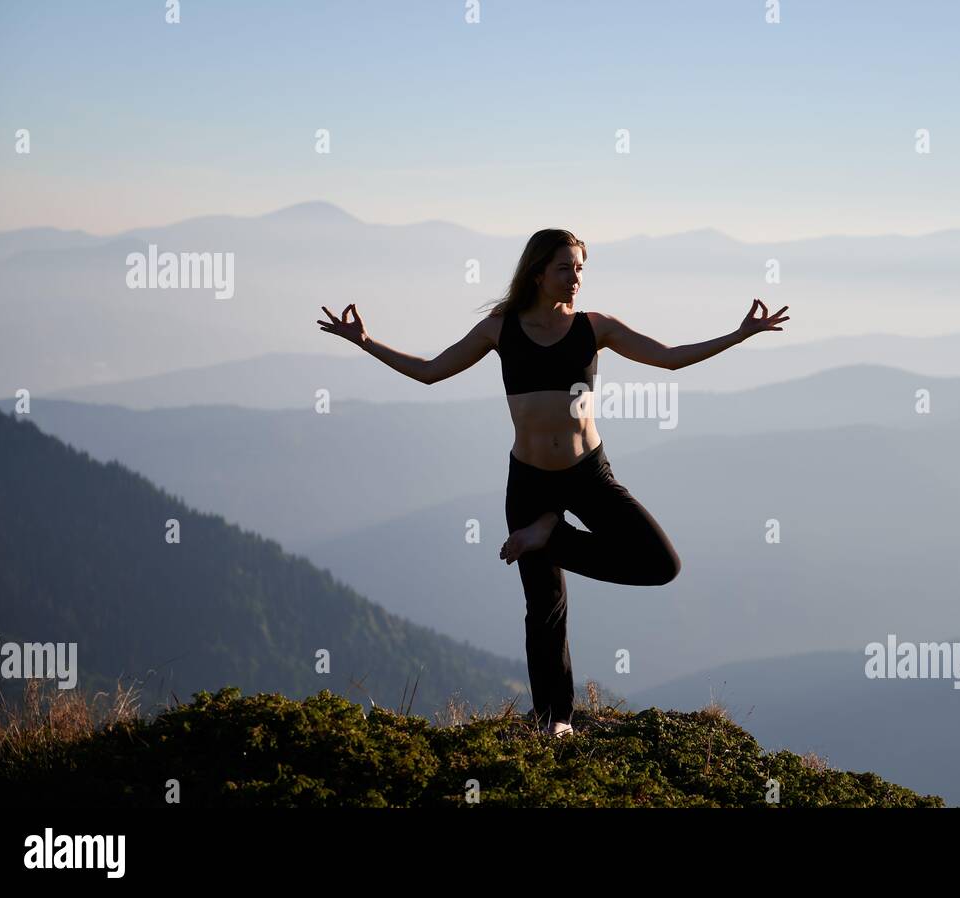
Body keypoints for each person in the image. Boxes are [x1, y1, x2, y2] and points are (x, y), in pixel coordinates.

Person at [318, 229, 788, 738]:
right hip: (531, 483)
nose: (576, 277)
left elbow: (669, 357)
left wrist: (739, 335)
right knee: (544, 607)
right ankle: (554, 720)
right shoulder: (500, 329)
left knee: (660, 563)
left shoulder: (595, 327)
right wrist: (364, 342)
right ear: (538, 273)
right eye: (566, 268)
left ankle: (551, 537)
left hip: (589, 475)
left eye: (581, 268)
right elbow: (431, 371)